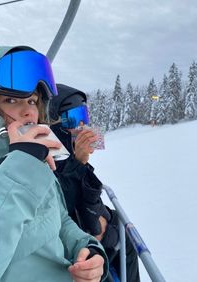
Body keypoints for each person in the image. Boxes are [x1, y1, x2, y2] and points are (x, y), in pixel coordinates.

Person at [0, 44, 108, 282]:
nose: (29, 112)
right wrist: (21, 166)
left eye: (32, 102)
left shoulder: (35, 163)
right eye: (11, 99)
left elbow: (60, 219)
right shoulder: (22, 165)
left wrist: (87, 249)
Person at [50, 84, 141, 282]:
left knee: (119, 223)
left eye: (83, 116)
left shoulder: (68, 157)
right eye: (72, 118)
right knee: (123, 241)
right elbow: (73, 209)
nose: (81, 125)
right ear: (54, 124)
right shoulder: (49, 159)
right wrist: (79, 163)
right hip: (78, 240)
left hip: (88, 227)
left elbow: (88, 198)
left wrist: (80, 162)